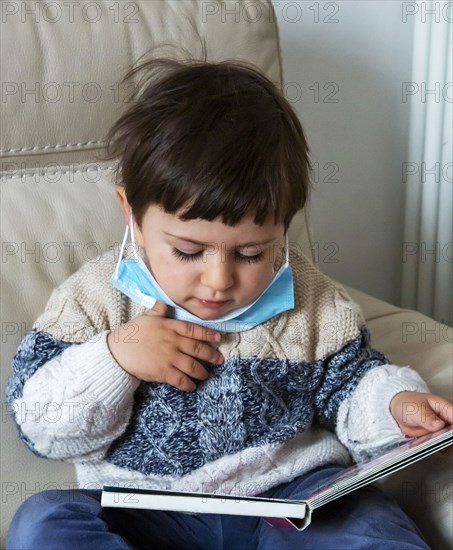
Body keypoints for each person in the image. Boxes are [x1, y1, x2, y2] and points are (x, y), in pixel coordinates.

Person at [5, 55, 452, 550]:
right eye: (188, 251)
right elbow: (41, 426)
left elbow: (350, 384)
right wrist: (116, 357)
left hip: (286, 502)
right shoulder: (93, 299)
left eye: (251, 253)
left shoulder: (313, 302)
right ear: (130, 212)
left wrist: (396, 405)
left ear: (283, 225)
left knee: (366, 523)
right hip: (145, 511)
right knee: (43, 519)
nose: (219, 280)